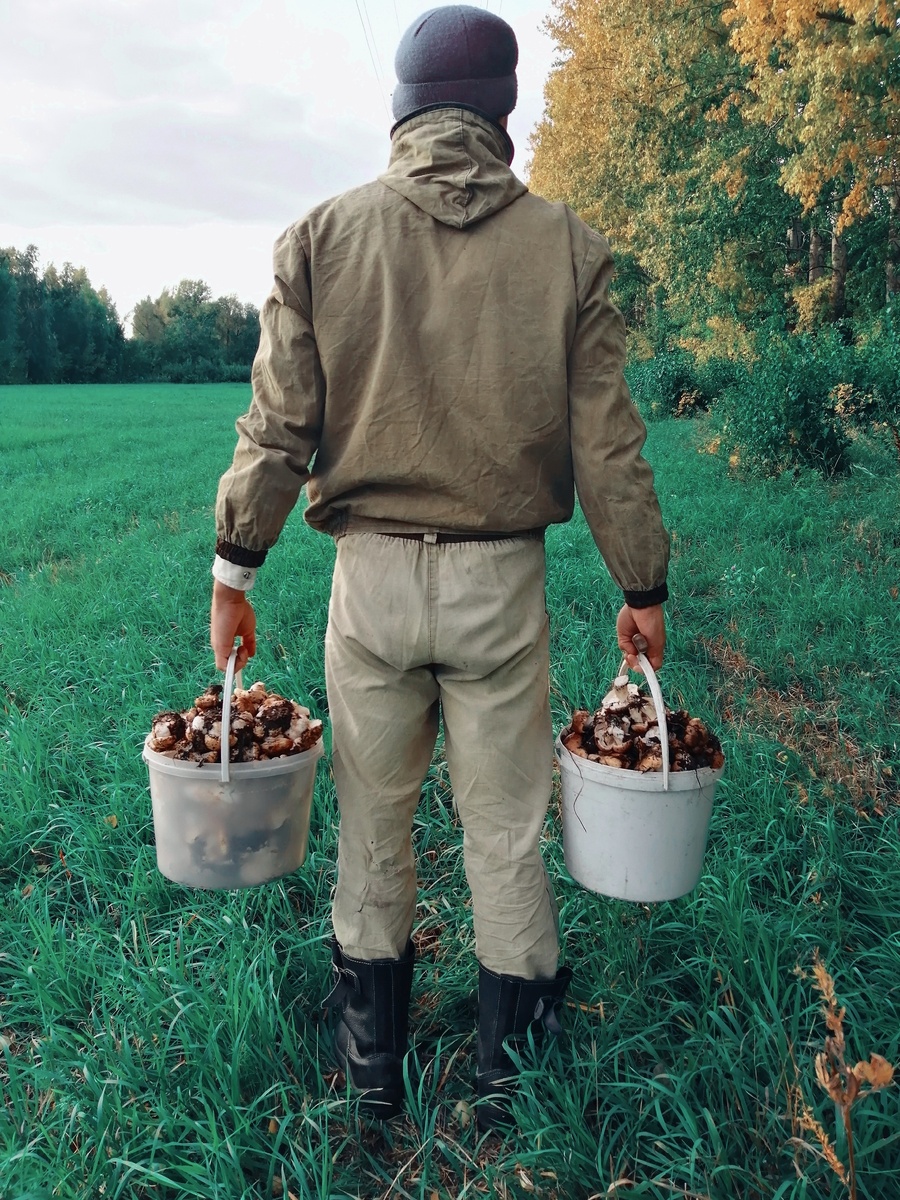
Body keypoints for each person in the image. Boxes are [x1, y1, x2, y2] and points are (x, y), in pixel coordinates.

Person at [210, 4, 669, 1130]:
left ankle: (372, 1074)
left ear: (404, 106)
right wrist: (642, 585)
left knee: (374, 817)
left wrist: (235, 570)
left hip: (365, 584)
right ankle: (511, 1077)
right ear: (501, 109)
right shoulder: (567, 247)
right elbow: (606, 441)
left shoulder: (320, 238)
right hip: (500, 586)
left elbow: (277, 428)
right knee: (504, 825)